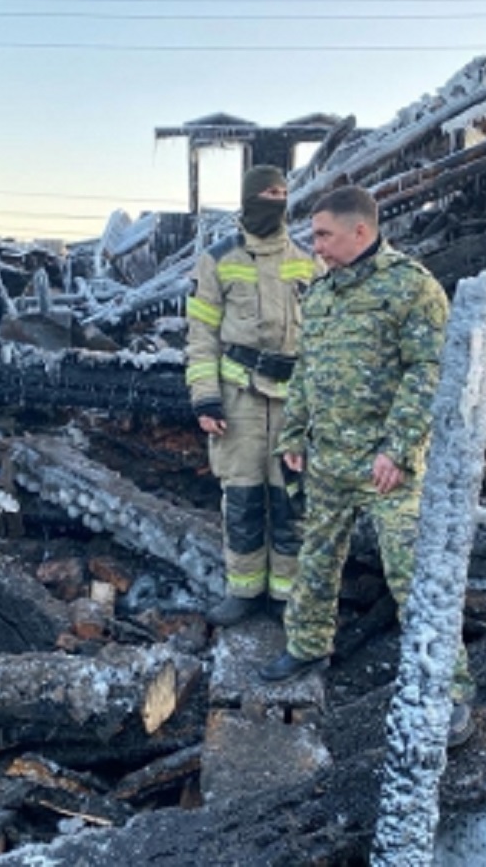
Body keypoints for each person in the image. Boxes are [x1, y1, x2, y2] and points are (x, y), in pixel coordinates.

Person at [258, 184, 475, 748]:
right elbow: (308, 370)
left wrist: (398, 449)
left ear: (361, 230)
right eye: (314, 236)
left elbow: (428, 372)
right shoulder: (324, 293)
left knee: (413, 572)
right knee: (315, 557)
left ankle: (449, 689)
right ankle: (307, 647)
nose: (317, 246)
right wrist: (296, 432)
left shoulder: (412, 287)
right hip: (328, 459)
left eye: (325, 235)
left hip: (388, 468)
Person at [185, 164, 319, 626]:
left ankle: (285, 595)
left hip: (293, 403)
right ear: (248, 198)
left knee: (289, 502)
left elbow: (323, 336)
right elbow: (201, 335)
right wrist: (205, 399)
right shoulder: (218, 259)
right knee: (242, 501)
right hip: (238, 398)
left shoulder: (307, 259)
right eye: (266, 192)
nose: (276, 199)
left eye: (282, 192)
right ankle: (243, 591)